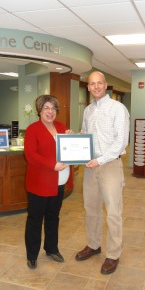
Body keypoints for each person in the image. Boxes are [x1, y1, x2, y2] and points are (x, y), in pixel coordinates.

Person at [75, 71, 130, 274]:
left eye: (99, 83)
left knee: (113, 212)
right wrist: (75, 140)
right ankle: (94, 244)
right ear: (88, 87)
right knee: (91, 209)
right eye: (92, 84)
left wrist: (100, 159)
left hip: (110, 166)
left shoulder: (118, 109)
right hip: (90, 167)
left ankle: (113, 254)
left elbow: (121, 141)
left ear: (105, 85)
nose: (96, 86)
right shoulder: (88, 110)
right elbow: (85, 134)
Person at [24, 94, 72, 269]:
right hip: (40, 182)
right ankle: (32, 255)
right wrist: (53, 165)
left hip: (58, 182)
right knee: (35, 219)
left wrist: (71, 139)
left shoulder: (61, 126)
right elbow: (31, 155)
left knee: (53, 217)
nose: (50, 111)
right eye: (46, 108)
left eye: (53, 108)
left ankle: (52, 248)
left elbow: (67, 150)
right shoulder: (32, 129)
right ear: (40, 110)